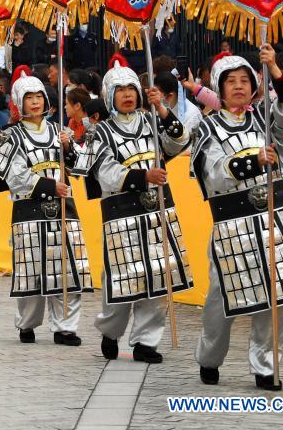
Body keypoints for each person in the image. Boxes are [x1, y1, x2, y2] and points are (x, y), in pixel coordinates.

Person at [191, 47, 283, 391]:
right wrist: (252, 162)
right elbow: (213, 173)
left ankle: (266, 366)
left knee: (276, 296)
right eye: (231, 81)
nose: (240, 86)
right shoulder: (208, 128)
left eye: (246, 80)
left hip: (274, 218)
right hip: (232, 223)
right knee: (220, 298)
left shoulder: (265, 119)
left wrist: (274, 66)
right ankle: (210, 357)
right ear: (219, 87)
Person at [73, 57, 194, 364]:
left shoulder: (153, 121)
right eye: (120, 89)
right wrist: (143, 177)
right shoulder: (99, 132)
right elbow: (106, 173)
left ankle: (145, 343)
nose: (127, 94)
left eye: (131, 88)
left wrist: (164, 110)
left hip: (158, 212)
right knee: (123, 279)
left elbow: (178, 141)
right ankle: (110, 330)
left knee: (158, 276)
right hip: (122, 212)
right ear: (109, 95)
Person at [0, 69, 91, 345]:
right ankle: (27, 323)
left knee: (67, 269)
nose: (35, 102)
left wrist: (69, 148)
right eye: (29, 97)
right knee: (31, 270)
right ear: (19, 102)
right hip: (29, 210)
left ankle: (65, 327)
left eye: (39, 97)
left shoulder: (60, 132)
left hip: (64, 209)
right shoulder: (10, 136)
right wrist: (47, 186)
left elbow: (82, 165)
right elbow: (14, 176)